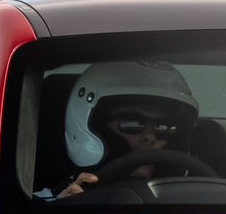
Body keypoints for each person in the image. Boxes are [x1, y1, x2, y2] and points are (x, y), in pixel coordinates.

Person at [51, 61, 201, 199]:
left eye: (163, 127)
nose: (149, 136)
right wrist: (63, 208)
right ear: (98, 129)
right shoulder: (39, 208)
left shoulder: (193, 202)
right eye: (132, 123)